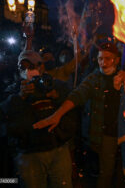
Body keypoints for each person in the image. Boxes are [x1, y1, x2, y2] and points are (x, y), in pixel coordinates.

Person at [33, 42, 125, 188]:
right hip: (105, 135)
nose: (103, 63)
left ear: (116, 60)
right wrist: (57, 115)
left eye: (108, 58)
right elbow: (78, 94)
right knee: (106, 173)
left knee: (123, 173)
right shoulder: (94, 78)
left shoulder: (122, 77)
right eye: (100, 59)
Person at [0, 50, 76, 188]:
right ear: (19, 69)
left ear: (42, 66)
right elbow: (5, 114)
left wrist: (58, 96)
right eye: (25, 67)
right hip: (29, 154)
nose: (31, 70)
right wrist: (20, 97)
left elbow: (72, 102)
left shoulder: (53, 84)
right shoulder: (12, 89)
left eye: (35, 66)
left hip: (57, 149)